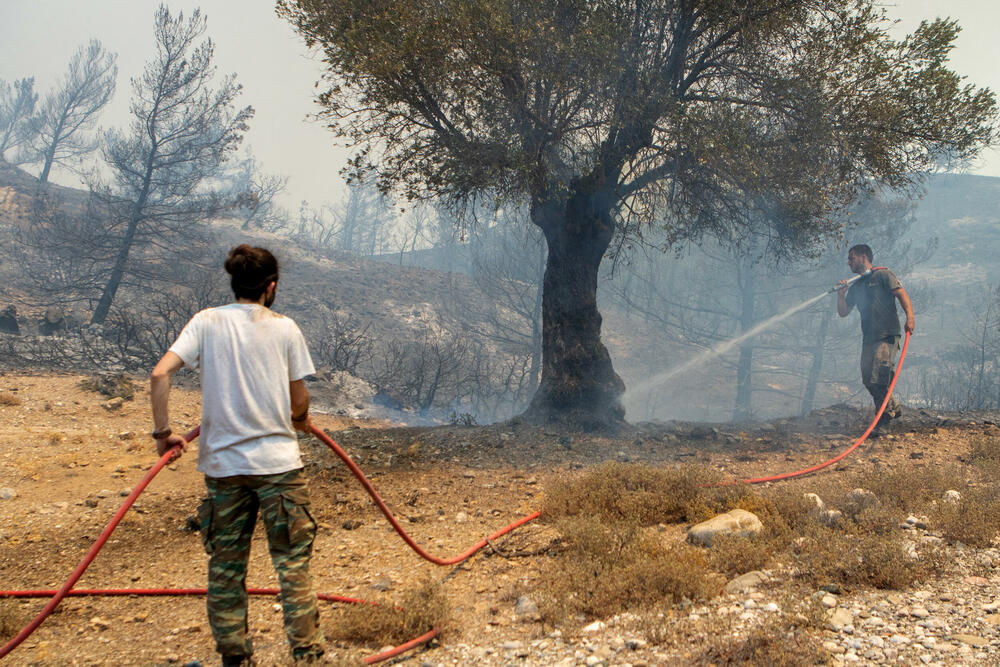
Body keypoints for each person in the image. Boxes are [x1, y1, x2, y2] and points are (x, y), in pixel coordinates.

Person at [150, 244, 325, 665]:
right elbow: (298, 395)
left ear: (234, 283)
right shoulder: (284, 328)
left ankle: (235, 656)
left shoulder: (206, 322)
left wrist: (163, 435)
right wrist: (299, 416)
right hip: (278, 466)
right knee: (291, 566)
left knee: (226, 570)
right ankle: (307, 655)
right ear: (271, 286)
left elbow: (159, 374)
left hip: (223, 468)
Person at [836, 243, 915, 437]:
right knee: (867, 380)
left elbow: (901, 293)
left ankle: (883, 423)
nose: (849, 263)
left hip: (887, 335)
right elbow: (844, 312)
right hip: (868, 338)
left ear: (863, 257)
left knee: (879, 378)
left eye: (851, 258)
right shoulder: (857, 285)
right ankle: (893, 406)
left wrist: (910, 317)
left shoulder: (882, 275)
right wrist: (841, 295)